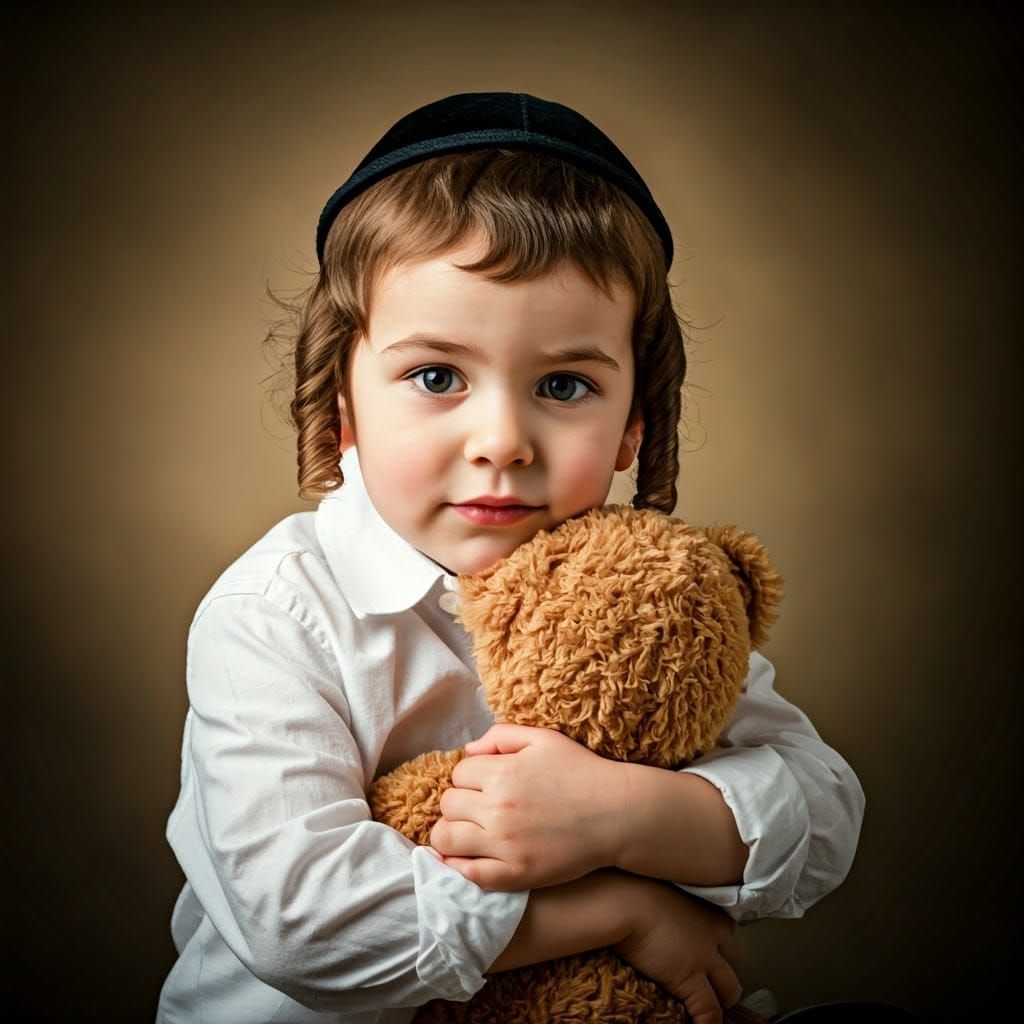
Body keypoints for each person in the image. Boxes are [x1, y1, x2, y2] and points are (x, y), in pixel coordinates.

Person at [156, 92, 865, 1024]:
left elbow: (823, 814)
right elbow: (304, 922)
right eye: (436, 377)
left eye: (563, 384)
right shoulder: (277, 614)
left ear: (632, 427)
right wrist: (617, 910)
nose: (502, 440)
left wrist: (619, 815)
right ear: (342, 406)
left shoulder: (642, 601)